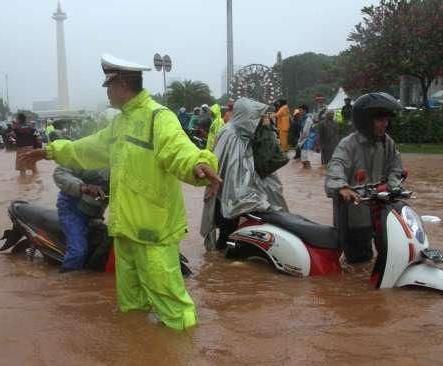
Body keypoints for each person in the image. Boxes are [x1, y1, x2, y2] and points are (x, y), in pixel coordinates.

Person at [18, 53, 221, 330]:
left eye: (108, 86)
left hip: (153, 234)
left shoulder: (158, 117)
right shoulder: (119, 124)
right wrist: (49, 151)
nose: (107, 91)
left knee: (174, 308)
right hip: (124, 231)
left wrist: (198, 163)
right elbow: (85, 149)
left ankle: (183, 352)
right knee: (131, 307)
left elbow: (178, 148)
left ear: (122, 85)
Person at [325, 92, 404, 267]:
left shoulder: (387, 142)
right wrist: (342, 187)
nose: (385, 123)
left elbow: (396, 168)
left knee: (390, 253)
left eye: (386, 119)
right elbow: (335, 165)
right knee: (359, 261)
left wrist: (394, 186)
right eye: (379, 120)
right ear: (365, 121)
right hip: (354, 210)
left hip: (381, 207)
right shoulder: (348, 144)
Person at [201, 98, 289, 250]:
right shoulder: (232, 135)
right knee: (226, 229)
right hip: (225, 196)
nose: (258, 121)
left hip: (230, 195)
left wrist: (267, 128)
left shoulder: (243, 134)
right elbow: (233, 176)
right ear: (246, 115)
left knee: (231, 227)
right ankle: (224, 262)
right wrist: (254, 199)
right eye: (256, 117)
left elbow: (270, 160)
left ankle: (225, 256)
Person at [53, 166, 109, 272]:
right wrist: (82, 186)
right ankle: (67, 284)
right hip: (71, 211)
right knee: (78, 252)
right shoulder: (87, 152)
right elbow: (59, 172)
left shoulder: (125, 162)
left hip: (95, 214)